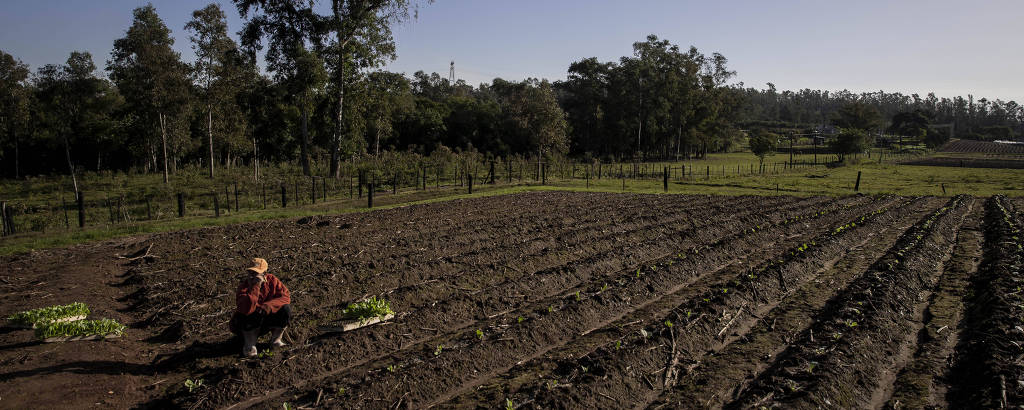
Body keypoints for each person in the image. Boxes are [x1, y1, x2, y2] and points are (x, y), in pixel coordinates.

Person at [229, 257, 291, 357]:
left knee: (285, 309)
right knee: (247, 315)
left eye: (255, 273)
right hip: (248, 322)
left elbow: (285, 297)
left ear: (264, 274)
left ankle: (276, 340)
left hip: (265, 318)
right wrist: (256, 286)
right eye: (250, 272)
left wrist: (268, 306)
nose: (251, 276)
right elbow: (246, 309)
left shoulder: (272, 281)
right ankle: (250, 345)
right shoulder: (244, 287)